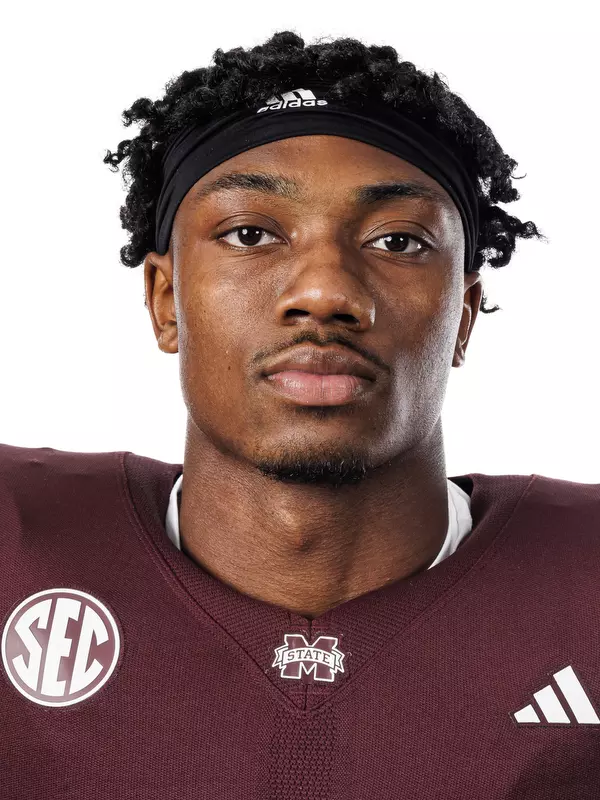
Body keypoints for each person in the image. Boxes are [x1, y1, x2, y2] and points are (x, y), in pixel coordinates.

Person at [1, 30, 595, 800]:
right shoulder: (17, 542)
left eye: (398, 240)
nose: (324, 293)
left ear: (466, 318)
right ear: (165, 299)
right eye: (251, 234)